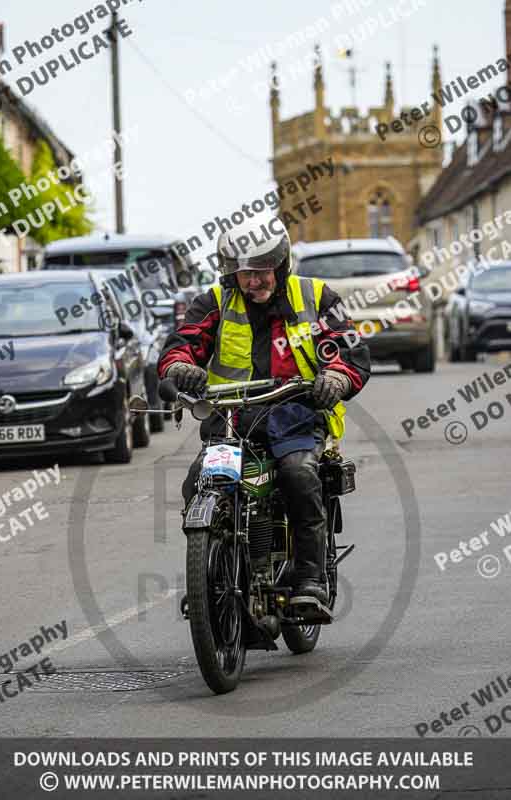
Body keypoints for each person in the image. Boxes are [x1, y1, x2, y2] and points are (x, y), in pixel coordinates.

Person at [157, 218, 370, 609]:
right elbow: (182, 344)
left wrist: (336, 379)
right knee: (198, 483)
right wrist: (179, 368)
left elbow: (348, 349)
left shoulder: (316, 297)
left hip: (297, 415)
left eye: (260, 272)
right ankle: (210, 578)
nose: (252, 281)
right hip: (232, 420)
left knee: (299, 476)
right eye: (243, 273)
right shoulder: (215, 302)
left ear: (281, 265)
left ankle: (310, 581)